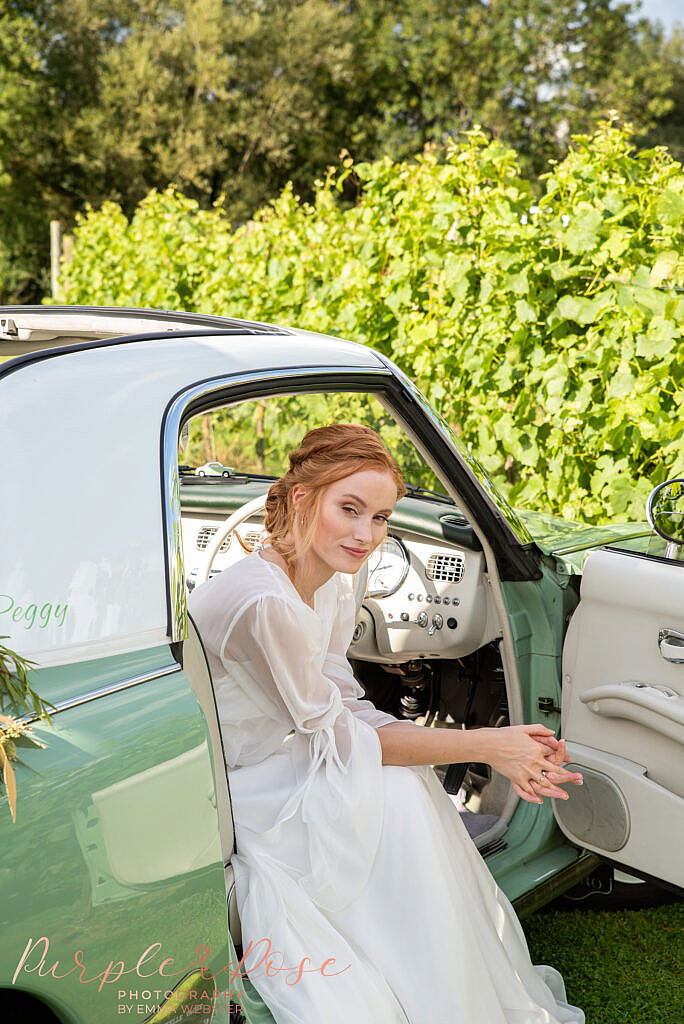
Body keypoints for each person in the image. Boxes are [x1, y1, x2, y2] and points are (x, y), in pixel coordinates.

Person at [188, 422, 585, 1024]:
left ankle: (445, 988)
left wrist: (493, 745)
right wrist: (487, 744)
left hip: (288, 751)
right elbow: (339, 735)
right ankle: (438, 994)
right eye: (349, 509)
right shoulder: (265, 602)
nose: (365, 535)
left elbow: (344, 702)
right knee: (397, 790)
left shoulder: (332, 580)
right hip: (235, 784)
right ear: (302, 499)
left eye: (380, 517)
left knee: (401, 786)